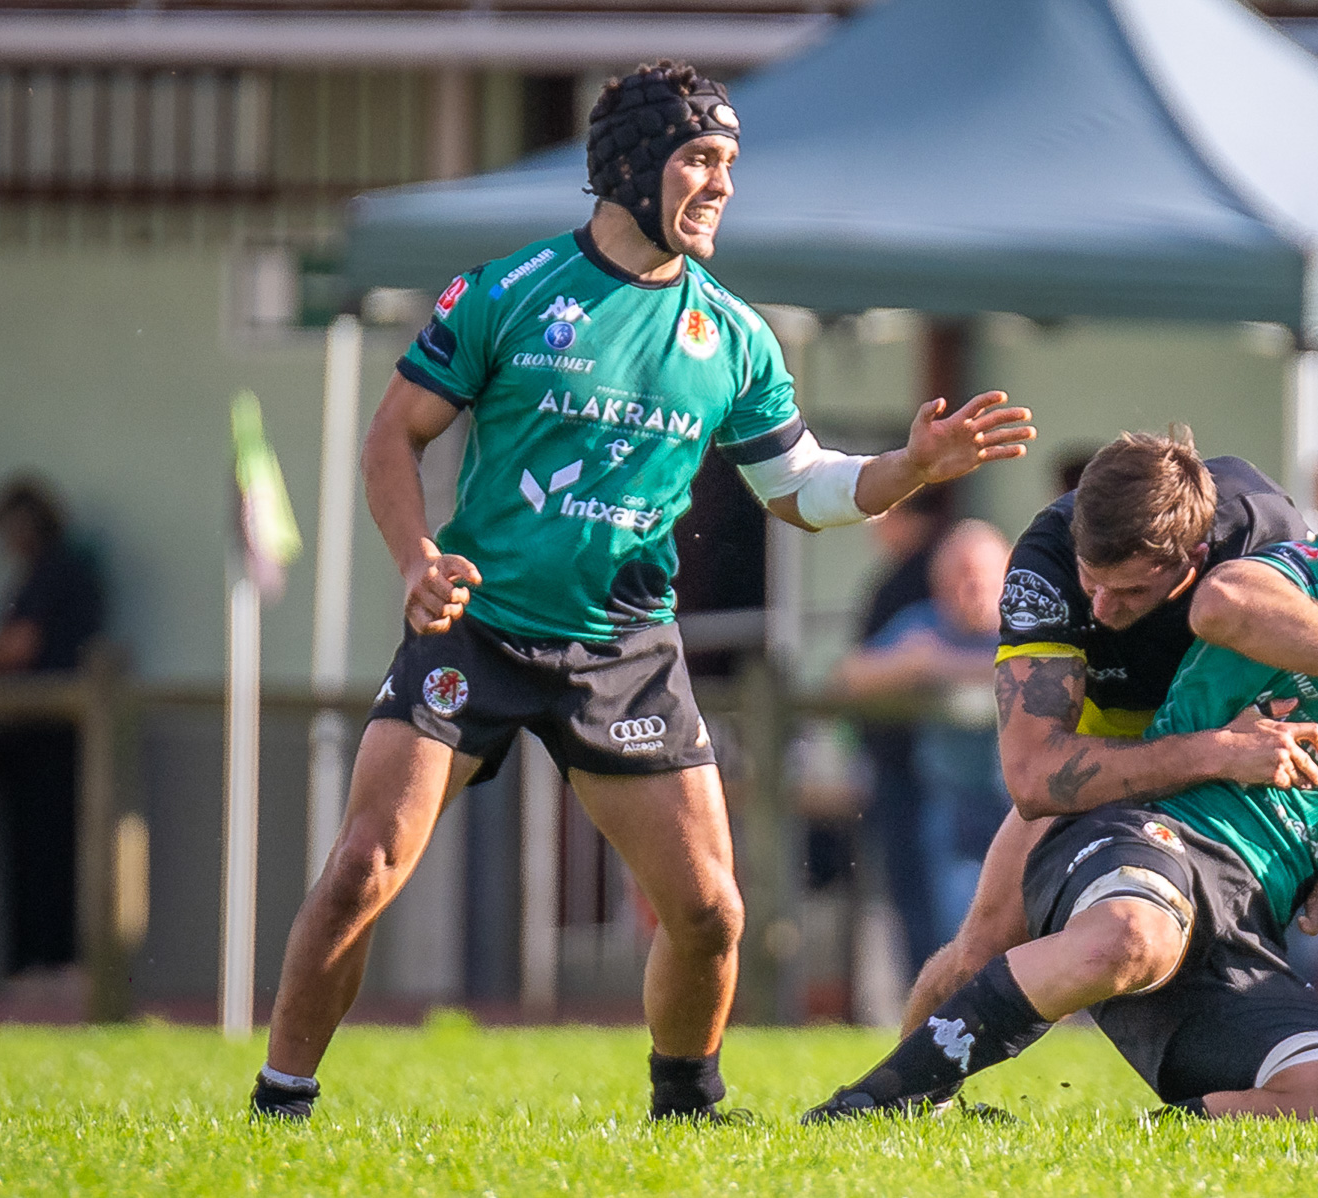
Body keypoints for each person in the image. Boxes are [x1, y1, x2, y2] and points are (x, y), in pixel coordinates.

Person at [250, 60, 1034, 1123]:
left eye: (730, 165)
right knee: (362, 865)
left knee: (710, 910)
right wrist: (415, 560)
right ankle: (280, 1103)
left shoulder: (734, 336)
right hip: (475, 627)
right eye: (700, 160)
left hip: (622, 648)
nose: (720, 185)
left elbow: (801, 487)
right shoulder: (510, 291)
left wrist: (910, 466)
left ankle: (687, 1110)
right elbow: (394, 433)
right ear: (629, 166)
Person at [808, 426, 1318, 1123]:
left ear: (1194, 553)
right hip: (1125, 780)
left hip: (1247, 901)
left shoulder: (1267, 528)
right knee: (1018, 943)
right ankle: (885, 1103)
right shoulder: (1062, 565)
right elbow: (1046, 768)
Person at [899, 431, 1318, 1038]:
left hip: (1239, 737)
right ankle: (905, 1096)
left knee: (1265, 954)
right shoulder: (1046, 557)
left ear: (1196, 557)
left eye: (1131, 590)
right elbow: (1032, 779)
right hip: (1110, 737)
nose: (1102, 609)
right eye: (1092, 580)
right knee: (981, 948)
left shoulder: (1266, 535)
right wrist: (1216, 752)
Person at [837, 520, 1012, 944]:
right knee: (955, 928)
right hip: (950, 802)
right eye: (957, 577)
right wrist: (913, 663)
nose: (969, 588)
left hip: (1024, 804)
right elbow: (848, 677)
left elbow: (1042, 674)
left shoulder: (1029, 625)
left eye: (979, 576)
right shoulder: (924, 624)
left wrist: (943, 664)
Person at [0, 477, 105, 979]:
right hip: (43, 739)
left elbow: (19, 648)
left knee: (44, 854)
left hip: (47, 737)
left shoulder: (55, 573)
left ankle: (46, 965)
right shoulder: (58, 572)